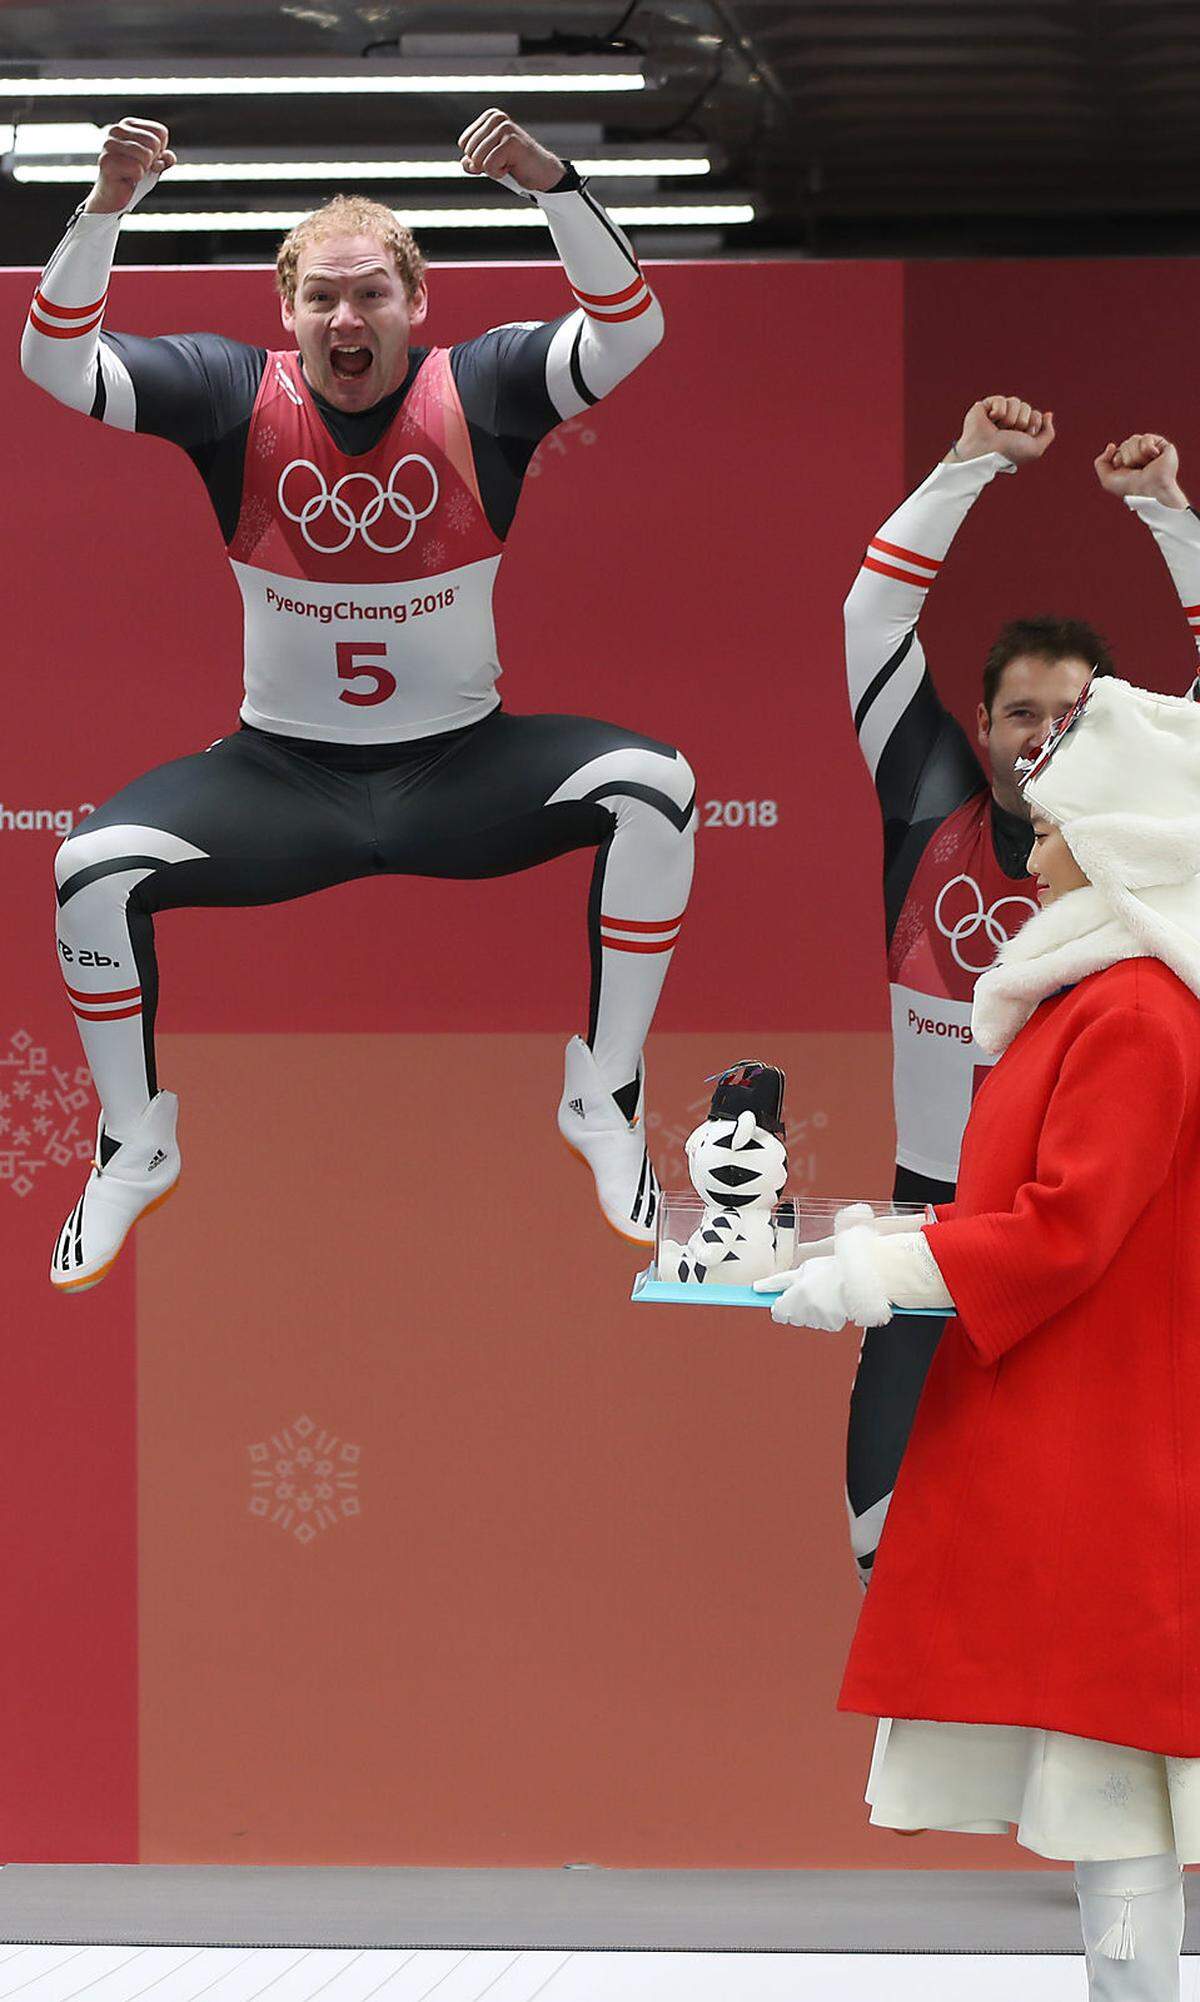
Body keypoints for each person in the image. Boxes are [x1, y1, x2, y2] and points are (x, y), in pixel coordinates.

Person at [21, 110, 696, 1292]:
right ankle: (133, 1140)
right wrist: (106, 205)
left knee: (657, 789)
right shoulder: (232, 395)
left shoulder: (481, 386)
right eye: (322, 300)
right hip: (282, 781)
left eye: (372, 295)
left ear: (416, 302)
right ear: (283, 312)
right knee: (91, 870)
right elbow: (53, 363)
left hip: (462, 774)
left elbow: (630, 329)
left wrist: (553, 185)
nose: (347, 321)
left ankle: (609, 1094)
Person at [762, 672, 1200, 1999]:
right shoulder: (1093, 995)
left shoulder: (1133, 1012)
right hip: (1080, 1434)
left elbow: (1063, 1230)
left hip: (1112, 1449)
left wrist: (885, 1270)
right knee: (1102, 1787)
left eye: (1061, 815)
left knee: (1117, 1790)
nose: (1035, 830)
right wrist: (879, 1246)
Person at [841, 394, 1200, 1586]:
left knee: (1074, 1567)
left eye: (1075, 714)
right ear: (981, 729)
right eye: (1021, 714)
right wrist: (963, 468)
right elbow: (872, 617)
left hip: (1080, 1247)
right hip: (929, 1219)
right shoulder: (924, 800)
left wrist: (1167, 517)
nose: (1045, 736)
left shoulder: (1154, 837)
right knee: (888, 1560)